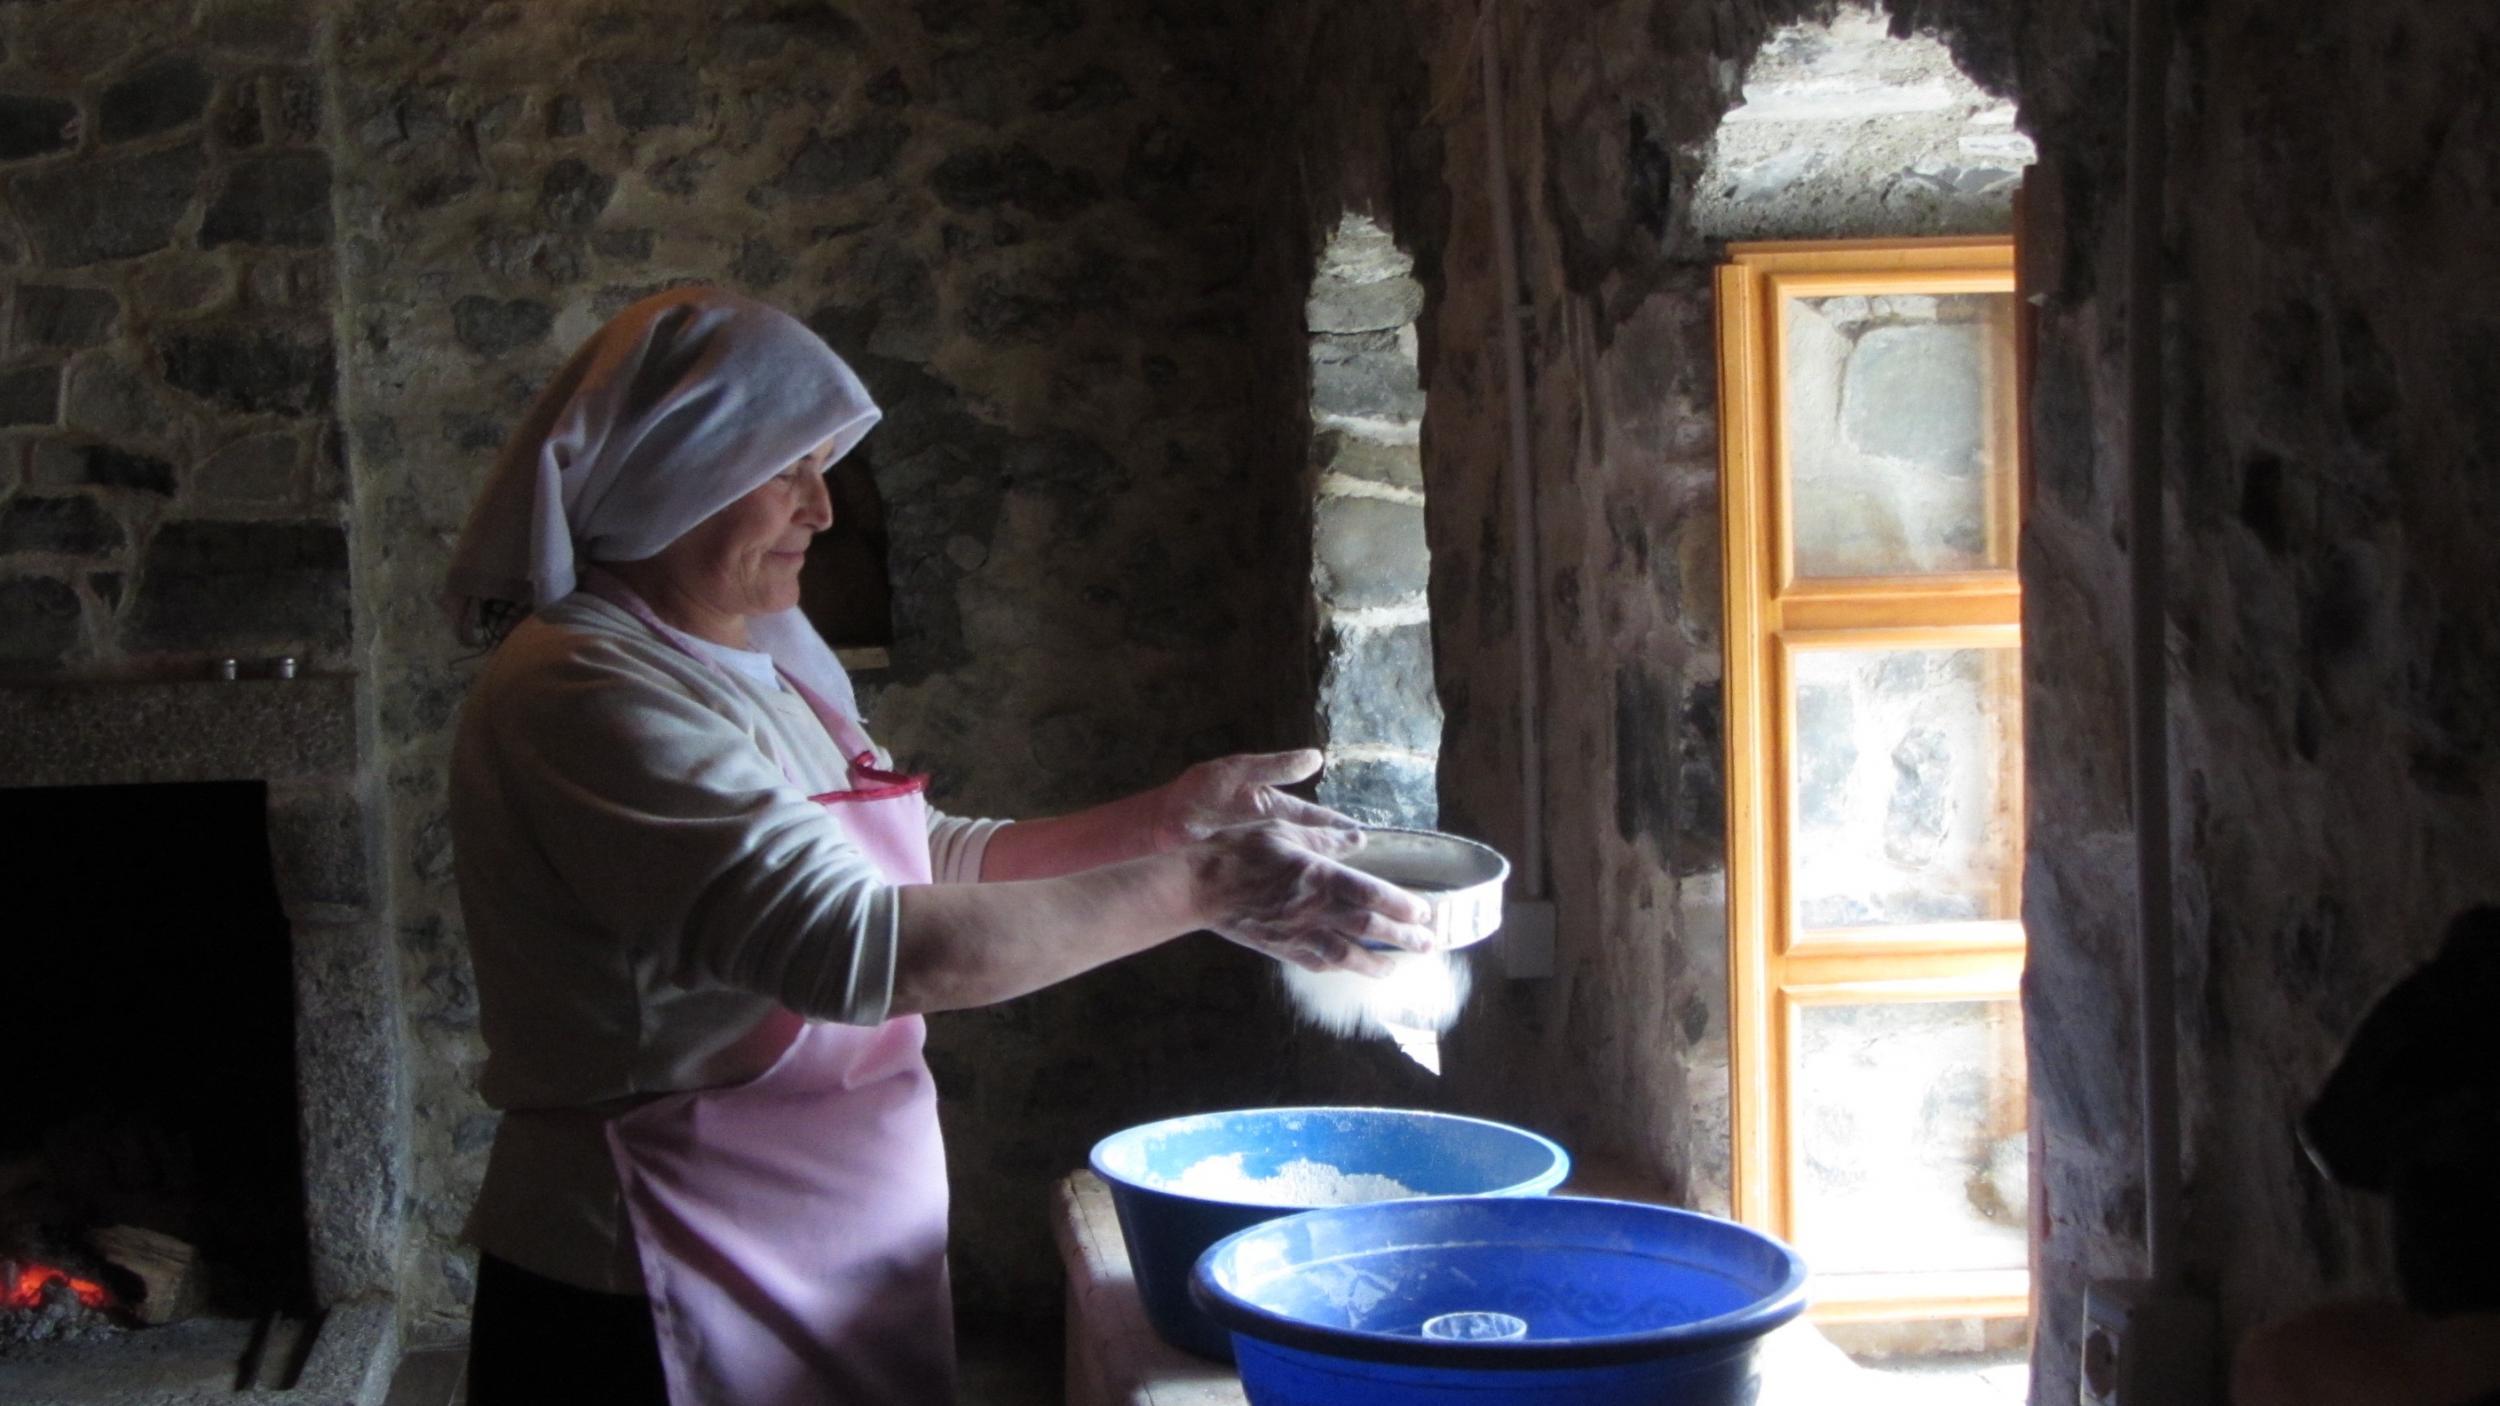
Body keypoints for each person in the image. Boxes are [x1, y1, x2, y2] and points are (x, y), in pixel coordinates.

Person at [440, 286, 1433, 1406]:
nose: (824, 509)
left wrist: (1163, 825)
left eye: (825, 468)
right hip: (649, 1278)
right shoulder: (583, 686)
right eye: (788, 470)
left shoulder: (755, 657)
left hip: (801, 1249)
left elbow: (918, 857)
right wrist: (1204, 884)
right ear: (679, 469)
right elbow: (856, 942)